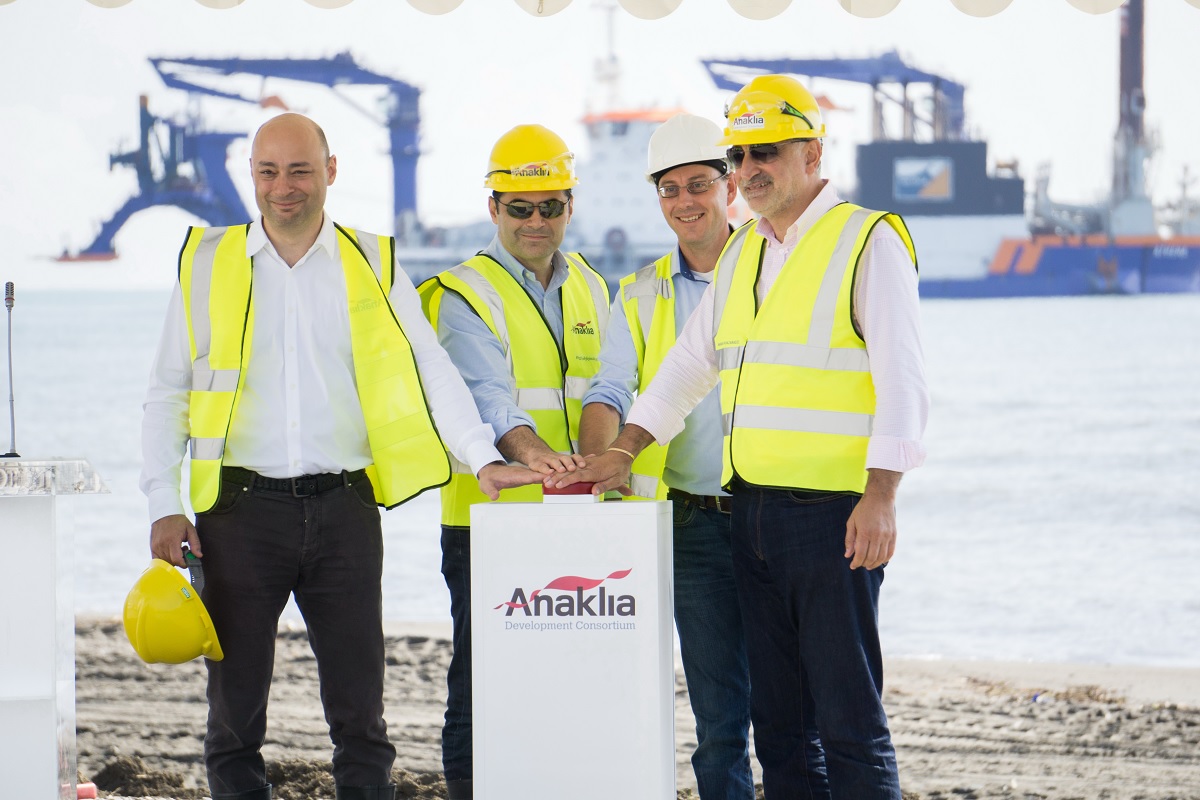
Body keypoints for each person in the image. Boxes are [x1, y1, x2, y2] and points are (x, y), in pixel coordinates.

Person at [140, 113, 544, 800]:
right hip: (238, 514)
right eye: (268, 172)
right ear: (251, 175)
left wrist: (481, 457)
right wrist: (162, 501)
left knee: (361, 720)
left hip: (345, 511)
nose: (283, 187)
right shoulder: (207, 263)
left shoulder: (372, 262)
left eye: (300, 170)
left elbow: (431, 367)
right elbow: (167, 393)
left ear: (330, 171)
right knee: (233, 719)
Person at [550, 75, 929, 799]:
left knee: (849, 722)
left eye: (768, 151)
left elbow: (904, 382)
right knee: (781, 729)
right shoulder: (746, 251)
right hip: (752, 515)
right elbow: (687, 367)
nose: (751, 167)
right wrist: (624, 450)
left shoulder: (867, 240)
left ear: (812, 153)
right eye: (741, 154)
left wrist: (882, 496)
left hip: (833, 519)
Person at [416, 124, 610, 800]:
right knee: (481, 684)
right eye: (520, 207)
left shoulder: (592, 286)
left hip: (576, 519)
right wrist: (544, 460)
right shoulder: (461, 293)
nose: (536, 221)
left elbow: (610, 388)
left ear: (569, 206)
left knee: (566, 679)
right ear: (493, 207)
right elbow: (488, 400)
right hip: (489, 522)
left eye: (550, 206)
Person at [576, 113, 753, 800]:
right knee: (719, 719)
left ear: (729, 186)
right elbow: (610, 390)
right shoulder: (641, 292)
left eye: (699, 184)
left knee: (795, 709)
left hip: (779, 515)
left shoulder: (775, 271)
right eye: (670, 189)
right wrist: (601, 468)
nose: (685, 201)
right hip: (694, 525)